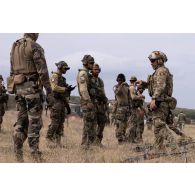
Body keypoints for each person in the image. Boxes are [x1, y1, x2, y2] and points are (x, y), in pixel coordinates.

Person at [10, 33, 54, 162]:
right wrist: (49, 91)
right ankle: (35, 154)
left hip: (19, 90)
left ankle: (18, 153)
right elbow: (43, 71)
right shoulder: (35, 46)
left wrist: (14, 89)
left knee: (21, 122)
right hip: (32, 90)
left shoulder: (15, 46)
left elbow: (12, 70)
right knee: (34, 122)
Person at [137, 51, 178, 152]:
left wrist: (154, 99)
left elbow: (160, 86)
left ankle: (174, 147)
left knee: (159, 125)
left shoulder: (160, 70)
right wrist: (145, 84)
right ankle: (158, 150)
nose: (151, 63)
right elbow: (156, 84)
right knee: (157, 129)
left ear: (160, 61)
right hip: (162, 101)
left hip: (160, 101)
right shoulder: (160, 71)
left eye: (153, 60)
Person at [46, 61, 75, 148]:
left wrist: (68, 89)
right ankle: (49, 140)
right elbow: (54, 87)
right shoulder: (54, 76)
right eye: (65, 68)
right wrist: (65, 89)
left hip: (61, 102)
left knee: (60, 123)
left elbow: (64, 91)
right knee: (55, 122)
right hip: (55, 102)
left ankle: (58, 143)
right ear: (60, 67)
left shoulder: (62, 78)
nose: (66, 70)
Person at [76, 55, 97, 149]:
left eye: (93, 63)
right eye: (91, 63)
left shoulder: (87, 73)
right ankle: (85, 145)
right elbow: (83, 90)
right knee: (88, 124)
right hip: (86, 102)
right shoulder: (83, 74)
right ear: (86, 63)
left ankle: (88, 144)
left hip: (89, 102)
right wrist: (88, 101)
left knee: (90, 124)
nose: (93, 65)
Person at [90, 63, 108, 147]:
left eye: (98, 70)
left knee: (102, 123)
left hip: (100, 105)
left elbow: (103, 92)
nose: (97, 71)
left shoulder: (100, 81)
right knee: (92, 124)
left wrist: (105, 102)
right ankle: (91, 142)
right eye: (95, 70)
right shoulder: (89, 79)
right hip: (93, 104)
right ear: (91, 70)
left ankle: (98, 142)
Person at [113, 73, 130, 144]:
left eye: (122, 80)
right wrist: (122, 85)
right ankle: (119, 139)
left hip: (126, 108)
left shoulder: (126, 88)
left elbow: (129, 98)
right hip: (120, 108)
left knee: (125, 124)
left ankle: (123, 137)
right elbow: (117, 92)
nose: (120, 81)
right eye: (119, 80)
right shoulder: (116, 87)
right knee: (119, 124)